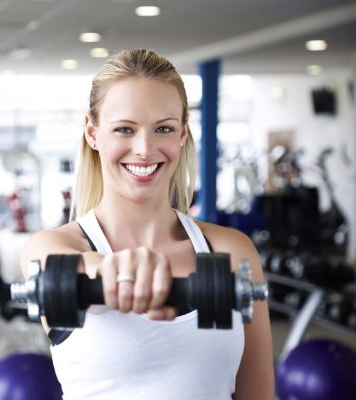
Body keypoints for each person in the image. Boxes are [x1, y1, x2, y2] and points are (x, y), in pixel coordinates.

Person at [20, 49, 274, 399]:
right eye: (125, 129)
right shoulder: (54, 247)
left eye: (163, 129)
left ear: (182, 134)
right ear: (92, 133)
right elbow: (68, 270)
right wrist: (118, 270)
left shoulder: (231, 251)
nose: (144, 148)